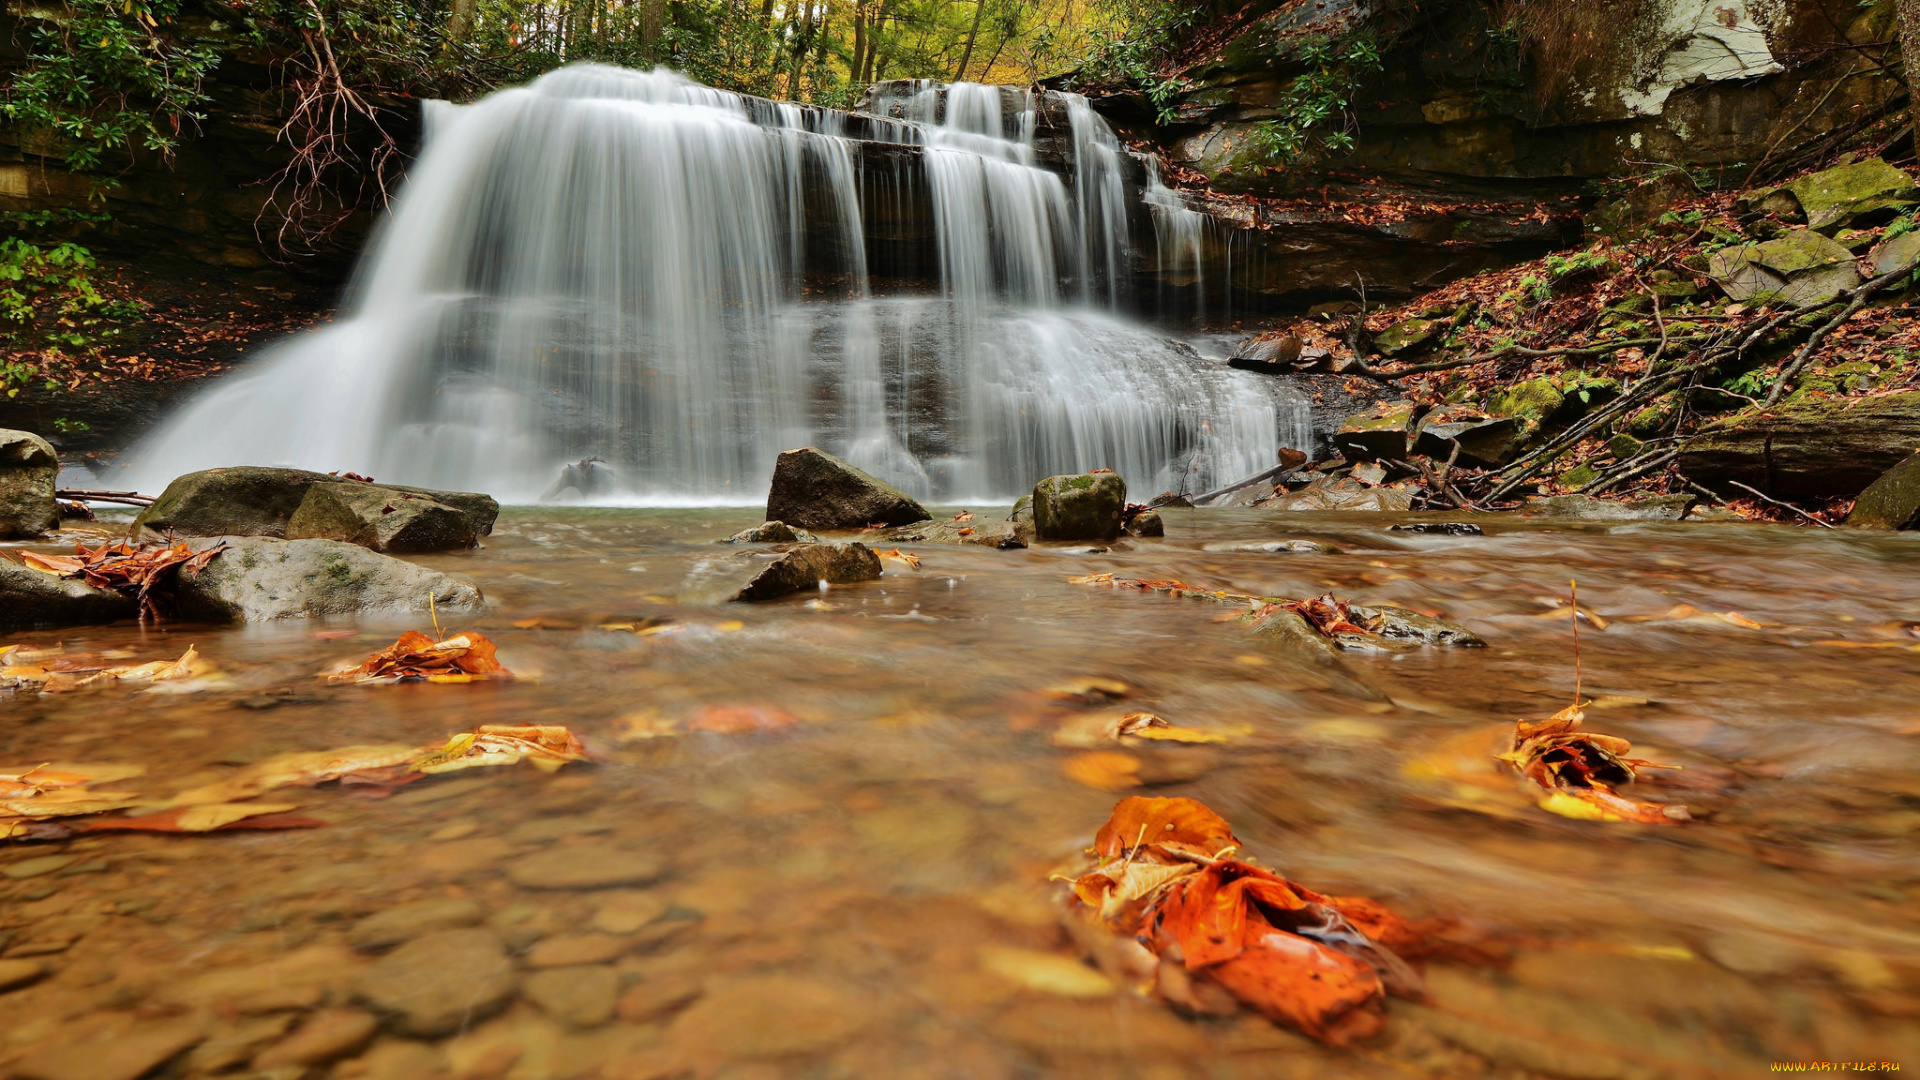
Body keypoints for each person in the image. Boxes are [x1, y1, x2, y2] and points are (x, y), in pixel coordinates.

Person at [541, 457, 613, 501]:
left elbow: (607, 471)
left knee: (587, 491)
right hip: (570, 476)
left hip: (580, 477)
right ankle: (544, 499)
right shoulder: (572, 471)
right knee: (557, 487)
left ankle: (544, 498)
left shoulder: (595, 470)